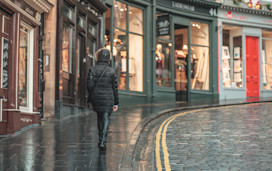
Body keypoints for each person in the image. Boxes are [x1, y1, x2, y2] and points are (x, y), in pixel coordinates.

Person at [87, 48, 119, 151]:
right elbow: (115, 88)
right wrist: (116, 103)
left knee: (99, 117)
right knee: (106, 117)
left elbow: (89, 85)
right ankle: (102, 141)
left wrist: (92, 96)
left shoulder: (92, 69)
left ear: (98, 57)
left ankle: (100, 138)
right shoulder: (111, 71)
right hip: (109, 98)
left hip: (97, 97)